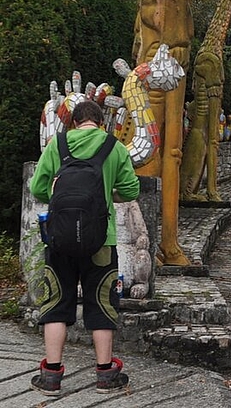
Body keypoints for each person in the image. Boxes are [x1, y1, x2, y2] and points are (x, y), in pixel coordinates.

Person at [29, 100, 139, 395]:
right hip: (101, 241)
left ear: (74, 122)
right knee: (102, 303)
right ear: (101, 123)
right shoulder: (113, 147)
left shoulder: (58, 143)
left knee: (56, 302)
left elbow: (37, 188)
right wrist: (106, 195)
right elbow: (131, 190)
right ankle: (105, 374)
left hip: (59, 239)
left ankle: (51, 375)